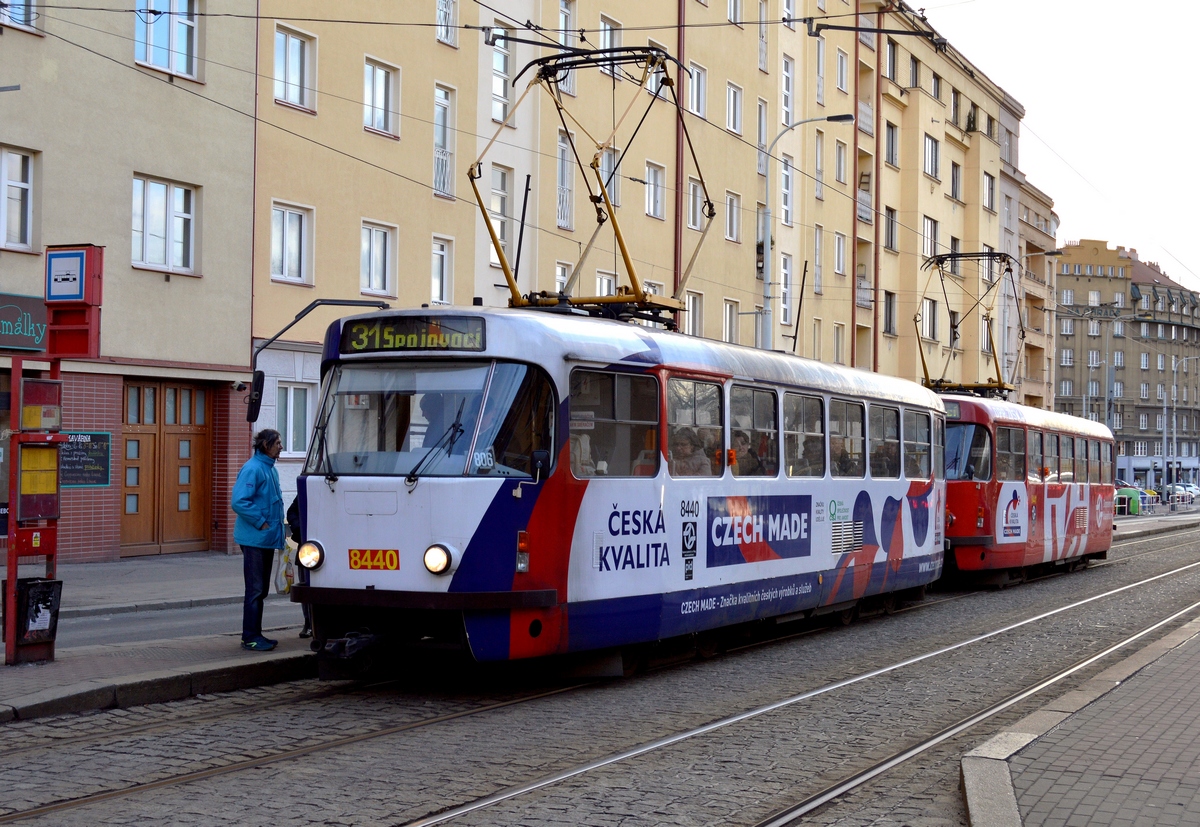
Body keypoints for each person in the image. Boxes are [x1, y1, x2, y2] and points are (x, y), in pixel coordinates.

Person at [232, 429, 285, 651]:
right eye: (278, 443)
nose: (281, 446)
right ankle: (250, 637)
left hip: (265, 539)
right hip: (255, 539)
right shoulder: (253, 468)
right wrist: (261, 521)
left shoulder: (269, 469)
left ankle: (256, 634)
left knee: (260, 590)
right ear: (266, 445)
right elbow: (239, 501)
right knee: (255, 590)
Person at [286, 495, 312, 639]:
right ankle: (308, 622)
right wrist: (300, 528)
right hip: (308, 548)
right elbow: (292, 512)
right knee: (306, 587)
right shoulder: (310, 487)